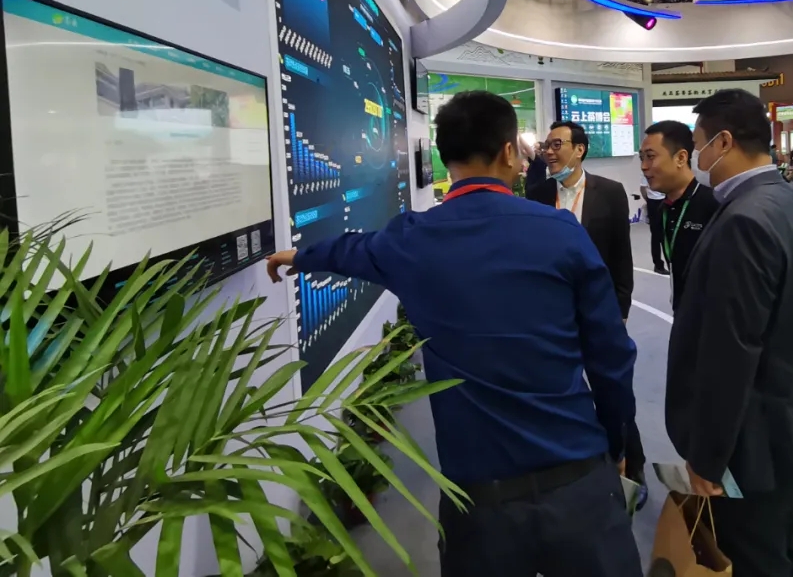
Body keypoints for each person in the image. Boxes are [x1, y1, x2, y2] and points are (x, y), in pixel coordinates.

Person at [265, 91, 641, 577]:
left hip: (478, 502)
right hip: (578, 481)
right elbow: (611, 356)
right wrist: (614, 443)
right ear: (509, 152)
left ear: (445, 157)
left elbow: (350, 250)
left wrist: (299, 256)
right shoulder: (562, 231)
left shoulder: (410, 239)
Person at [666, 89, 793, 577]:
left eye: (699, 145)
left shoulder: (743, 220)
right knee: (781, 547)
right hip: (777, 422)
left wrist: (708, 457)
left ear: (724, 142)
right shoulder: (787, 200)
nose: (698, 158)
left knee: (754, 555)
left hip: (747, 438)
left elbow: (731, 350)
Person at [528, 121, 647, 510]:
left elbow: (621, 255)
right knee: (562, 392)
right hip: (553, 315)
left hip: (600, 311)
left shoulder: (609, 192)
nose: (549, 152)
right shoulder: (538, 193)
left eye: (556, 144)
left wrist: (621, 309)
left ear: (579, 149)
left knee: (614, 392)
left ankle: (633, 468)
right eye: (546, 145)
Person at [638, 120, 719, 311]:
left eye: (650, 157)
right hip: (682, 312)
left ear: (681, 158)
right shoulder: (664, 209)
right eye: (642, 158)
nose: (643, 166)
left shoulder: (714, 205)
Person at [640, 174, 669, 275]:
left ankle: (670, 263)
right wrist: (649, 201)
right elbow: (643, 188)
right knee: (656, 235)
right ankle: (658, 265)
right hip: (654, 202)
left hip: (665, 199)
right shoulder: (647, 171)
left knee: (666, 233)